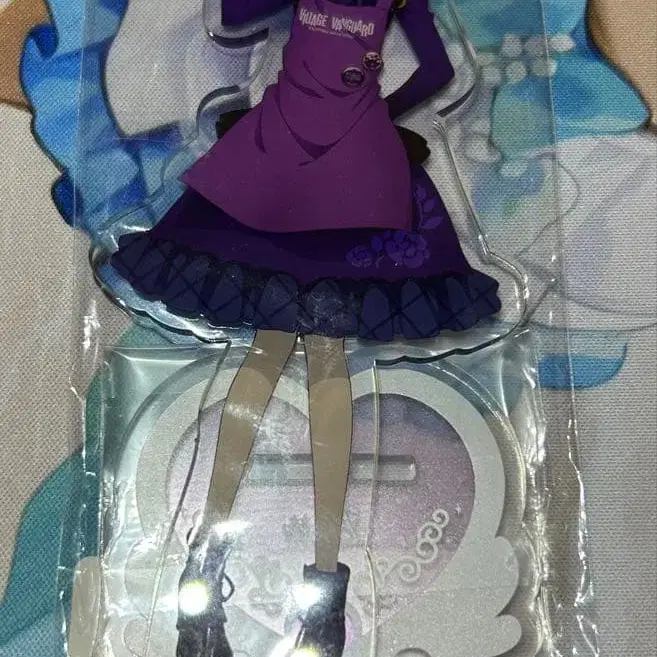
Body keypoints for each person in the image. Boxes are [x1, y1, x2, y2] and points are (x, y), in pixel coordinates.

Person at [110, 0, 502, 655]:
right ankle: (307, 590)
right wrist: (375, 112)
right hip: (337, 163)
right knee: (317, 363)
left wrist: (362, 107)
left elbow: (237, 11)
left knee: (280, 359)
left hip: (293, 158)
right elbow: (434, 69)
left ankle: (219, 567)